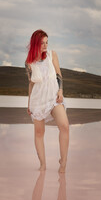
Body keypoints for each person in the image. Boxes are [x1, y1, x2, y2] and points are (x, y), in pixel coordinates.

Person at [25, 29, 69, 173]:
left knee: (64, 126)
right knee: (39, 133)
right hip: (38, 100)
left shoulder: (52, 55)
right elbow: (31, 83)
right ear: (35, 44)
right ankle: (43, 164)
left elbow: (58, 74)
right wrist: (29, 103)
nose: (45, 46)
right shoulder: (29, 62)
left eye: (47, 42)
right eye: (42, 43)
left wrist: (60, 91)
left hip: (54, 97)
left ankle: (63, 161)